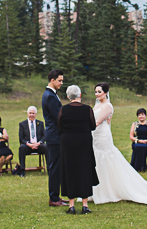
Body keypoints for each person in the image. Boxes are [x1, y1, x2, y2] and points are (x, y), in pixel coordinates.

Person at [58, 85, 98, 215]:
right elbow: (93, 126)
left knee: (70, 171)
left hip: (68, 142)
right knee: (84, 170)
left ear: (68, 97)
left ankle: (71, 205)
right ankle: (85, 204)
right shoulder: (87, 109)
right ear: (80, 95)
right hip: (84, 142)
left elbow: (59, 126)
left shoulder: (63, 110)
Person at [42, 69, 67, 206]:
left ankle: (56, 196)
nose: (61, 83)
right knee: (55, 166)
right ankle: (54, 198)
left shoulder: (50, 94)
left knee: (56, 166)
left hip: (54, 135)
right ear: (52, 80)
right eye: (59, 80)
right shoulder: (50, 96)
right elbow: (59, 116)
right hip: (54, 135)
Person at [17, 106, 47, 177]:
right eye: (30, 113)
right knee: (21, 148)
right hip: (28, 146)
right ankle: (22, 171)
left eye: (33, 113)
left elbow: (44, 136)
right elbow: (21, 138)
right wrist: (29, 144)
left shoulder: (40, 123)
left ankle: (49, 169)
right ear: (27, 113)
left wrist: (39, 143)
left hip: (38, 145)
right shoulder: (22, 124)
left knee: (46, 146)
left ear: (36, 114)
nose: (31, 115)